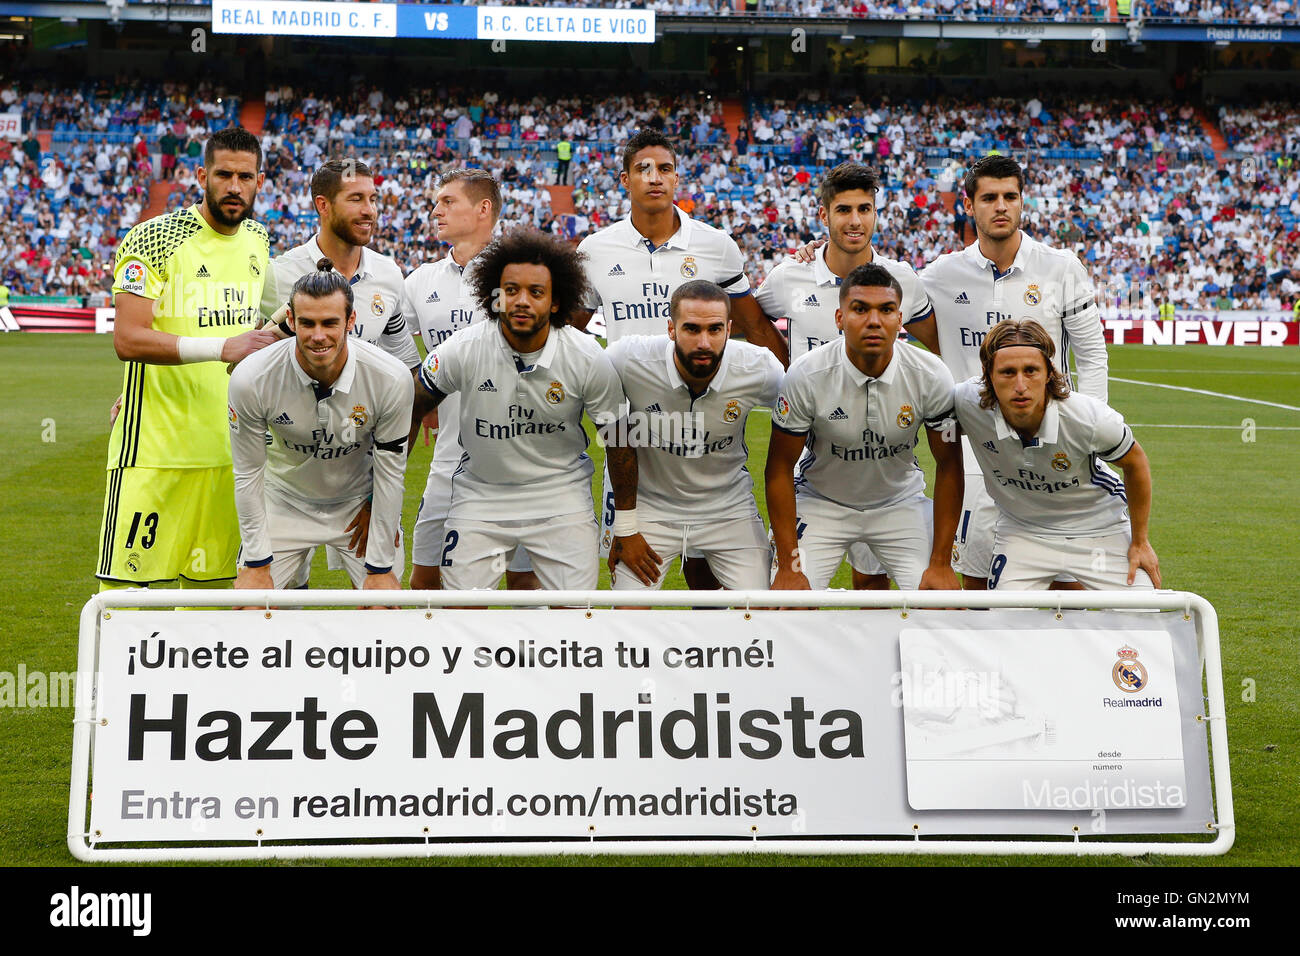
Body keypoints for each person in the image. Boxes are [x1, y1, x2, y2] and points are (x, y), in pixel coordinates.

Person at [575, 128, 788, 590]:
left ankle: (706, 656)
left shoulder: (716, 244)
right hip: (630, 431)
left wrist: (798, 385)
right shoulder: (594, 250)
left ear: (678, 179)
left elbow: (752, 324)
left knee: (707, 574)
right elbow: (568, 332)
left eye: (665, 169)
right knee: (632, 566)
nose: (655, 178)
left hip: (705, 409)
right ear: (624, 179)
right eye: (643, 169)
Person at [907, 154, 1109, 590]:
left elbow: (1092, 355)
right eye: (989, 197)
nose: (1001, 206)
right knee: (977, 570)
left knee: (1060, 570)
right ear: (969, 204)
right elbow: (880, 288)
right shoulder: (942, 274)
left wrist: (1088, 425)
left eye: (1010, 197)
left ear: (1022, 202)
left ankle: (1056, 655)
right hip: (977, 446)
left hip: (1054, 437)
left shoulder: (1061, 267)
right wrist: (818, 253)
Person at [96, 126, 277, 590]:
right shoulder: (152, 239)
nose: (234, 187)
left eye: (245, 176)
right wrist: (222, 348)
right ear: (202, 175)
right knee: (125, 603)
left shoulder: (258, 239)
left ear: (260, 181)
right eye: (223, 175)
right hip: (154, 453)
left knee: (209, 609)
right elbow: (128, 339)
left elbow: (264, 332)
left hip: (230, 454)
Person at [409, 229, 635, 591]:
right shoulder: (463, 348)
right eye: (510, 291)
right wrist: (380, 498)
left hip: (560, 498)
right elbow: (411, 405)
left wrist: (626, 525)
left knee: (575, 618)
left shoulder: (587, 356)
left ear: (557, 301)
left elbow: (621, 439)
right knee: (458, 614)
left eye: (536, 292)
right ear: (494, 297)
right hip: (480, 496)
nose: (521, 302)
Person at [756, 161, 935, 591]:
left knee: (874, 583)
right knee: (784, 597)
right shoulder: (789, 277)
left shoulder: (902, 280)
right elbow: (750, 323)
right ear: (824, 215)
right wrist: (789, 366)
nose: (855, 221)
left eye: (864, 209)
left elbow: (939, 344)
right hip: (815, 461)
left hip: (887, 462)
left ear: (876, 212)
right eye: (843, 210)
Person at [258, 159, 420, 580]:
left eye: (373, 199)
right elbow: (244, 358)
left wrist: (380, 500)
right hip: (288, 480)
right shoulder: (279, 274)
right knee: (268, 611)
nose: (369, 210)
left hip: (360, 484)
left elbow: (408, 376)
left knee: (381, 613)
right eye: (356, 199)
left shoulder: (388, 275)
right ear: (323, 205)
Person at [766, 263, 963, 592]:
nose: (874, 321)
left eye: (886, 310)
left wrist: (940, 562)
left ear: (900, 320)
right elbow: (778, 469)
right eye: (860, 309)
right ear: (839, 318)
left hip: (899, 503)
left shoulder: (931, 374)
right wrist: (788, 564)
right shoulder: (807, 374)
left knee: (938, 602)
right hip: (822, 503)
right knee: (786, 603)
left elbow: (949, 464)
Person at [229, 264, 412, 591]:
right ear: (291, 321)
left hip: (357, 502)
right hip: (284, 500)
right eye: (307, 323)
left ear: (351, 321)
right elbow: (248, 473)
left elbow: (391, 472)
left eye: (330, 323)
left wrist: (381, 564)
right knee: (251, 608)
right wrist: (256, 563)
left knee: (386, 611)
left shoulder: (390, 378)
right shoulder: (252, 377)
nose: (318, 336)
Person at [403, 168, 537, 590]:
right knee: (424, 581)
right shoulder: (421, 281)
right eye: (436, 201)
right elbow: (398, 353)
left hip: (523, 464)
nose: (435, 209)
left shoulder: (522, 276)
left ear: (483, 209)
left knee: (524, 586)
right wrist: (420, 401)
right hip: (448, 460)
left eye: (447, 201)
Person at [951, 319, 1158, 590]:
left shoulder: (1089, 418)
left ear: (1049, 372)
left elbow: (1135, 462)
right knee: (1002, 621)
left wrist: (1140, 541)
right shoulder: (966, 403)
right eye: (1008, 372)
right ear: (987, 374)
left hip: (1098, 528)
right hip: (1022, 532)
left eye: (1031, 371)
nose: (1021, 385)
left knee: (1143, 614)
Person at [605, 280, 783, 592]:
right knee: (626, 613)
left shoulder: (760, 367)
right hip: (652, 511)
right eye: (691, 329)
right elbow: (608, 430)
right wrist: (625, 526)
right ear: (671, 329)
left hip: (729, 509)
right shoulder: (626, 360)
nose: (704, 342)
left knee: (764, 610)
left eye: (715, 329)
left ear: (729, 328)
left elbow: (802, 418)